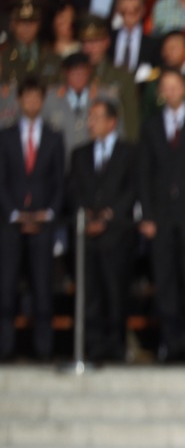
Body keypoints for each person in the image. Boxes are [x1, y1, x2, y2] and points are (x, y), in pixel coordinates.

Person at [139, 67, 185, 363]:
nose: (170, 92)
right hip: (160, 216)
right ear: (161, 92)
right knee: (165, 281)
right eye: (165, 87)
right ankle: (169, 343)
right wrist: (146, 214)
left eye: (175, 86)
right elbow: (144, 172)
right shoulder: (151, 125)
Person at [66, 99, 138, 363]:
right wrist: (87, 215)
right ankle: (93, 347)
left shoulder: (128, 152)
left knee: (115, 294)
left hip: (116, 236)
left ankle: (116, 347)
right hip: (87, 236)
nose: (90, 123)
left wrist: (110, 215)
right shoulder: (79, 153)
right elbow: (72, 190)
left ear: (112, 121)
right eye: (89, 117)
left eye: (96, 117)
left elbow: (132, 189)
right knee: (90, 294)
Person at [0, 78, 65, 362]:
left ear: (42, 101)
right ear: (19, 100)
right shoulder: (5, 136)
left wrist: (47, 212)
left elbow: (58, 181)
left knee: (42, 287)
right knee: (6, 287)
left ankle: (43, 349)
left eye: (36, 98)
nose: (31, 103)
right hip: (10, 224)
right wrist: (13, 213)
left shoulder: (54, 137)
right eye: (26, 98)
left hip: (42, 223)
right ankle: (4, 347)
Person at [110, 0, 160, 77]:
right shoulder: (108, 38)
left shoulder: (152, 43)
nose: (129, 15)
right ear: (118, 10)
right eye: (124, 11)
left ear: (143, 10)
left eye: (134, 10)